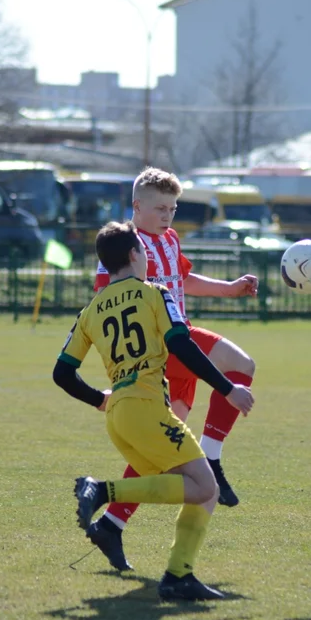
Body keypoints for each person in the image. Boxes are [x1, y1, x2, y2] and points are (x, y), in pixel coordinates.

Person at [53, 220, 255, 601]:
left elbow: (62, 373)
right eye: (144, 253)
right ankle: (104, 494)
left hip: (119, 418)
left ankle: (174, 571)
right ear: (133, 255)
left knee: (200, 490)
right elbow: (181, 344)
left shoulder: (90, 311)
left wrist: (100, 399)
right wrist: (227, 389)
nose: (148, 259)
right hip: (148, 410)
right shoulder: (154, 294)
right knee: (205, 487)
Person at [88, 167, 259, 572]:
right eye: (161, 208)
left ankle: (111, 523)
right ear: (137, 207)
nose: (168, 215)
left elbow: (184, 278)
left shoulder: (169, 239)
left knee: (159, 452)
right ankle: (213, 457)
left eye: (173, 207)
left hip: (179, 342)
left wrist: (229, 288)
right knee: (242, 365)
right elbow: (107, 306)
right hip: (163, 346)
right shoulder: (122, 248)